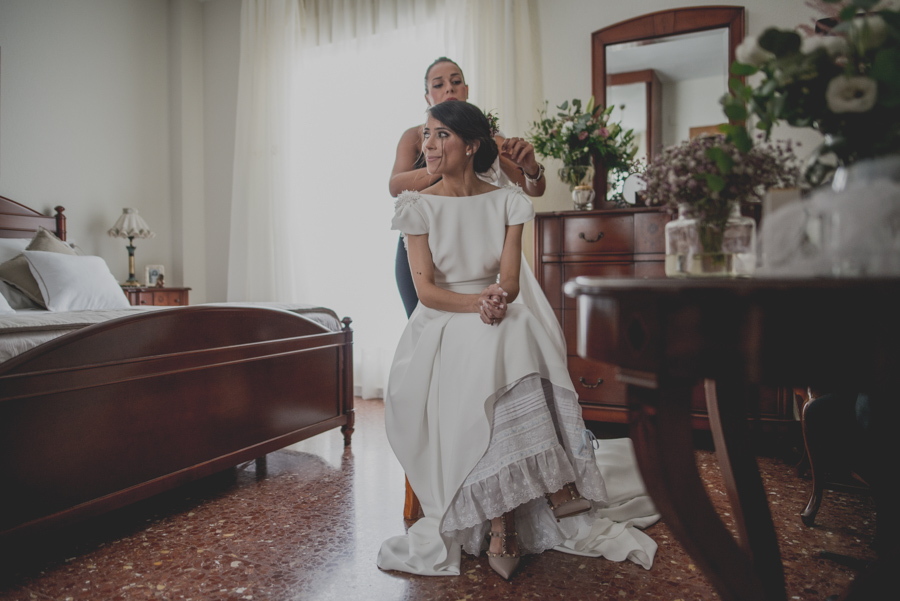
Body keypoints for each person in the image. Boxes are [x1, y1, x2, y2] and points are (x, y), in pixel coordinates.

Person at [377, 101, 655, 580]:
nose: (429, 146)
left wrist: (495, 300)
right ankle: (550, 491)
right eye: (427, 135)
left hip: (494, 308)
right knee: (505, 334)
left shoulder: (508, 201)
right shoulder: (417, 206)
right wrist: (478, 306)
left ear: (472, 145)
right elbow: (426, 291)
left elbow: (509, 279)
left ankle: (507, 518)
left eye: (441, 135)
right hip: (444, 316)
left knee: (515, 325)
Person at [389, 57, 546, 318]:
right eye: (438, 85)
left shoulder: (489, 140)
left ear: (466, 90)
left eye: (456, 81)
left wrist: (531, 168)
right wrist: (445, 162)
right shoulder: (415, 138)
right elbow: (395, 185)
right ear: (428, 97)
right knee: (420, 324)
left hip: (476, 244)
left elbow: (532, 189)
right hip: (427, 242)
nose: (449, 89)